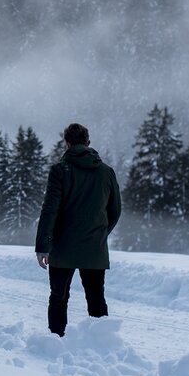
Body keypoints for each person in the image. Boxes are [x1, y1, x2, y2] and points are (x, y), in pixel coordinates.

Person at [34, 123, 121, 336]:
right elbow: (115, 210)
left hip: (63, 247)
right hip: (94, 247)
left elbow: (50, 210)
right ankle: (101, 341)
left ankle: (56, 339)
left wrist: (43, 245)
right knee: (96, 297)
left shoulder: (59, 170)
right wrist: (99, 233)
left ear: (67, 143)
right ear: (88, 143)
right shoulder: (106, 172)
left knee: (59, 297)